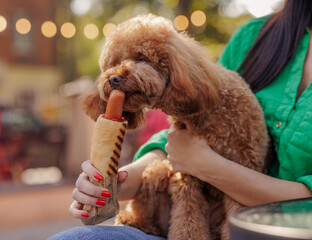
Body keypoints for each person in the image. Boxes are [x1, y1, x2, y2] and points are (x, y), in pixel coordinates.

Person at [49, 0, 312, 239]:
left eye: (141, 59)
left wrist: (205, 164)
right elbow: (177, 146)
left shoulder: (197, 81)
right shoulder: (254, 38)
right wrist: (120, 183)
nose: (117, 76)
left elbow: (191, 152)